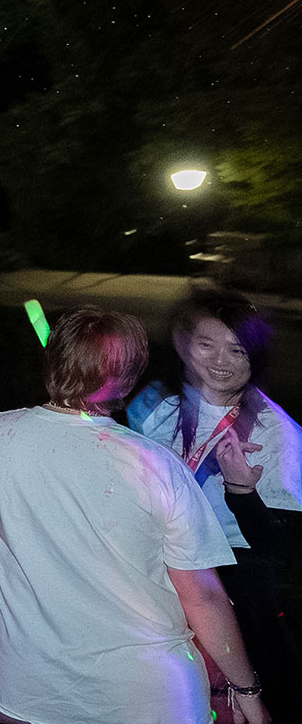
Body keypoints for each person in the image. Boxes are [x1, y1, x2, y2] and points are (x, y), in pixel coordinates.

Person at [0, 307, 267, 724]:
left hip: (28, 686)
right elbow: (202, 596)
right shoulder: (155, 465)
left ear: (54, 360)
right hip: (144, 696)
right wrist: (247, 690)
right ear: (129, 378)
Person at [128, 290, 301, 722]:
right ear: (184, 343)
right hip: (150, 568)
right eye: (207, 344)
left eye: (237, 349)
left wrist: (243, 492)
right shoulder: (154, 406)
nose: (220, 360)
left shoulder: (277, 432)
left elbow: (282, 549)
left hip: (229, 582)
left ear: (255, 357)